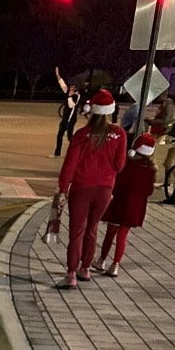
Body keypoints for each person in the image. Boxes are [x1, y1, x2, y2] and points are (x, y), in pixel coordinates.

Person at [56, 88, 127, 289]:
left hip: (81, 188)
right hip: (104, 189)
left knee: (76, 231)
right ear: (111, 110)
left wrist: (63, 189)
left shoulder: (82, 135)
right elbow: (120, 165)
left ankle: (71, 273)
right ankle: (85, 268)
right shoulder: (119, 134)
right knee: (92, 228)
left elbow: (70, 165)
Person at [97, 134, 157, 278]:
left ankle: (101, 260)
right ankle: (115, 265)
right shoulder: (150, 169)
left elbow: (117, 183)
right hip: (134, 208)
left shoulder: (127, 165)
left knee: (110, 234)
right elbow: (149, 191)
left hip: (119, 203)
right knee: (122, 237)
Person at [54, 67, 83, 157]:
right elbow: (62, 84)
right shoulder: (68, 92)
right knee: (59, 135)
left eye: (72, 87)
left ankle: (77, 152)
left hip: (71, 119)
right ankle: (57, 153)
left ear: (75, 89)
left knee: (70, 137)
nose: (70, 88)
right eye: (70, 87)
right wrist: (57, 75)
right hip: (65, 118)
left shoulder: (77, 96)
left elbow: (71, 105)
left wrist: (70, 96)